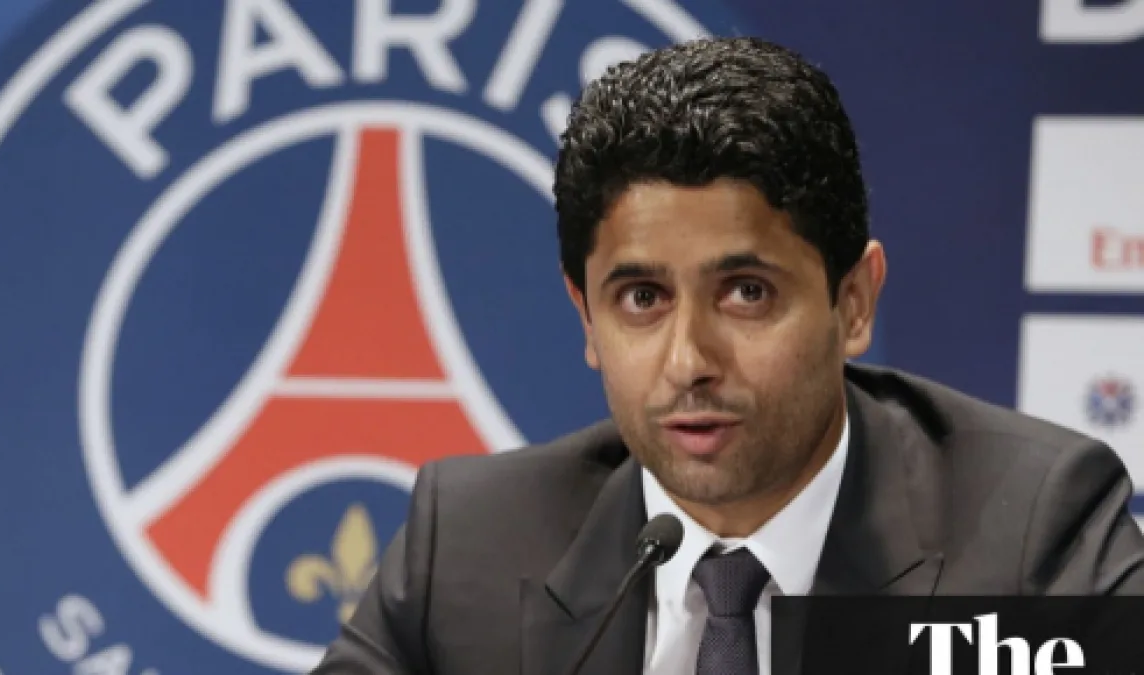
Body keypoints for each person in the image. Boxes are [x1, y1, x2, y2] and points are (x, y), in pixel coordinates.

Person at [308, 36, 1144, 675]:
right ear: (586, 317)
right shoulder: (472, 542)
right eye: (642, 298)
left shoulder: (1030, 536)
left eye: (747, 292)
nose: (689, 361)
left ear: (854, 301)